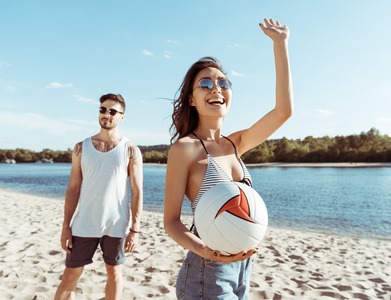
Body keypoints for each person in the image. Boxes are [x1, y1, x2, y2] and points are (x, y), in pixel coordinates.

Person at [164, 18, 293, 299]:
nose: (216, 88)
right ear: (191, 99)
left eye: (223, 83)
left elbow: (283, 112)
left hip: (244, 269)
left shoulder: (236, 144)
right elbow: (171, 221)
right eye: (206, 83)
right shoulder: (184, 148)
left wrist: (280, 45)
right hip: (206, 270)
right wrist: (205, 250)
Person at [54, 93, 144, 300]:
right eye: (103, 109)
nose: (107, 114)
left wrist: (135, 230)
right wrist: (66, 226)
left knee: (114, 274)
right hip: (84, 223)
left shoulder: (130, 150)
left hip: (116, 224)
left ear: (122, 116)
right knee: (70, 275)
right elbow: (73, 189)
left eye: (113, 111)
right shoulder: (81, 148)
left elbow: (137, 191)